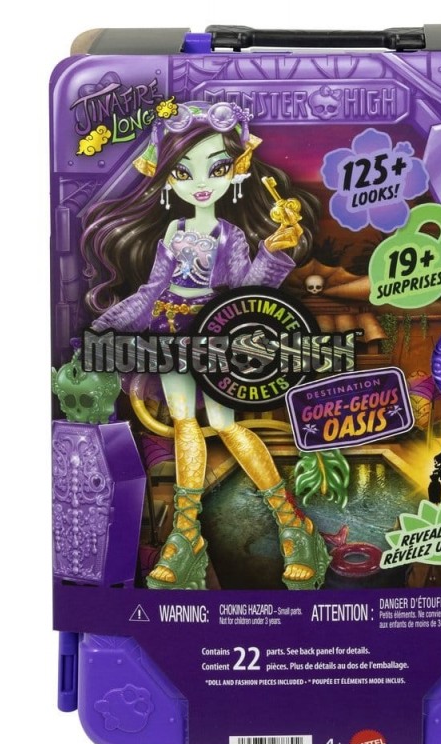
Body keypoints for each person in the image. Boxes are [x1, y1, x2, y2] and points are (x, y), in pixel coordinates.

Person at [81, 100, 329, 590]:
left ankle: (293, 525)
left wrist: (273, 253)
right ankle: (187, 534)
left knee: (224, 422)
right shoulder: (173, 231)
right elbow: (152, 289)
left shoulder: (229, 233)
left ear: (234, 173)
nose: (200, 182)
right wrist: (105, 328)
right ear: (167, 179)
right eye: (183, 170)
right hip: (172, 333)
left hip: (214, 334)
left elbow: (247, 290)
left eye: (215, 168)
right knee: (183, 422)